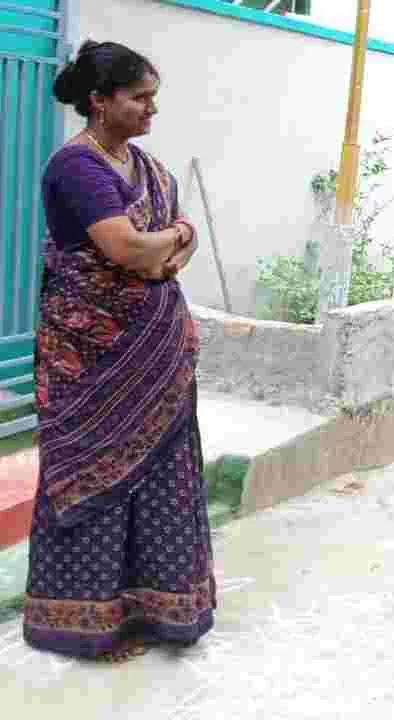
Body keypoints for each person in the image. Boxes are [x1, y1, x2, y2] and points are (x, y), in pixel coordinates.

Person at [24, 40, 210, 661]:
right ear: (100, 102)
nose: (152, 109)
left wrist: (172, 241)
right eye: (140, 98)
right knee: (89, 476)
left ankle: (156, 612)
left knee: (161, 479)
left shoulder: (151, 169)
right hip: (91, 357)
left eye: (154, 98)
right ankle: (85, 625)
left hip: (158, 352)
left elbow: (174, 249)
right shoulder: (77, 168)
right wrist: (170, 239)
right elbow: (125, 249)